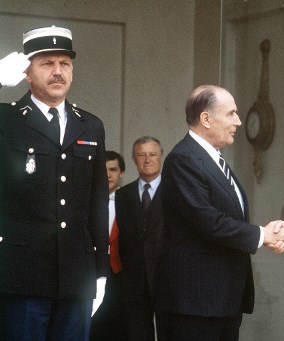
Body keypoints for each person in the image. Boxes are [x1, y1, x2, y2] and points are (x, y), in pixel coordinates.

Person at [154, 85, 284, 341]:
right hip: (193, 304)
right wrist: (262, 235)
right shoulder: (184, 159)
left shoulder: (212, 159)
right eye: (231, 114)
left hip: (221, 301)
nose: (238, 121)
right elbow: (208, 221)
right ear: (206, 118)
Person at [0, 26, 109, 340]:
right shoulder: (7, 120)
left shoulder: (90, 125)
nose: (58, 71)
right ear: (27, 73)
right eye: (47, 63)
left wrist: (100, 272)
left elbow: (97, 204)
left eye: (65, 63)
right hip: (22, 275)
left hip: (77, 277)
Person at [116, 136, 165, 340]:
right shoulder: (123, 195)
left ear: (161, 157)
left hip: (167, 277)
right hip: (133, 280)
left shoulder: (175, 193)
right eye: (141, 155)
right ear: (134, 160)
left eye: (152, 154)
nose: (147, 159)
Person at [90, 151, 127, 340]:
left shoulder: (129, 201)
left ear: (121, 173)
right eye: (103, 170)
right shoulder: (87, 202)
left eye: (113, 169)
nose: (107, 175)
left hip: (120, 277)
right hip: (92, 273)